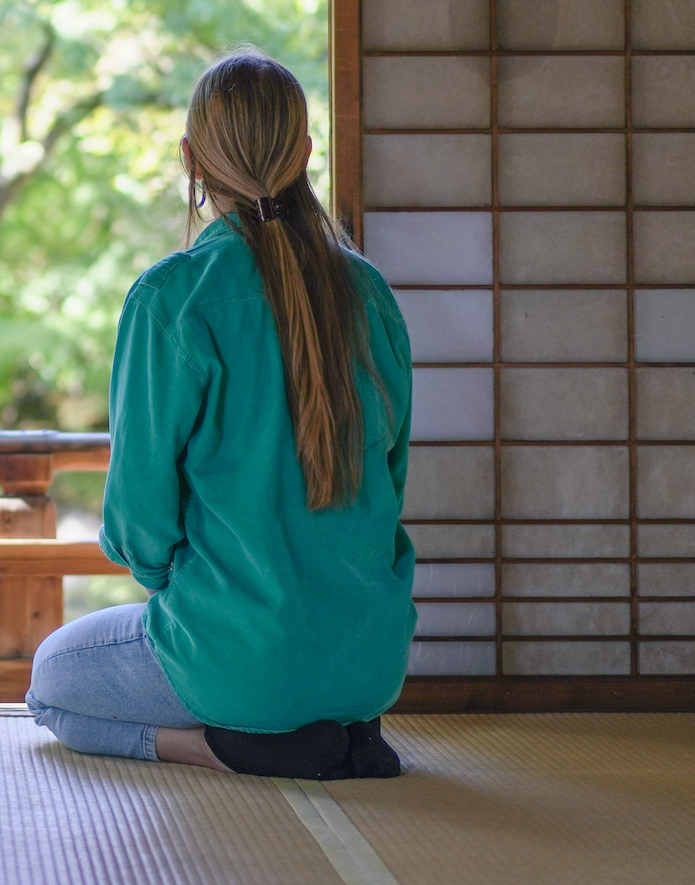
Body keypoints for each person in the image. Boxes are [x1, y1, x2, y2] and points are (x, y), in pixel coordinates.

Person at [25, 50, 415, 780]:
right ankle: (334, 728)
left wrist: (183, 589)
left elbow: (138, 521)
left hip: (238, 659)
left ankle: (223, 743)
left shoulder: (172, 297)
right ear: (305, 153)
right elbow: (392, 481)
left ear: (191, 161)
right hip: (370, 663)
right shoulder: (369, 291)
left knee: (50, 683)